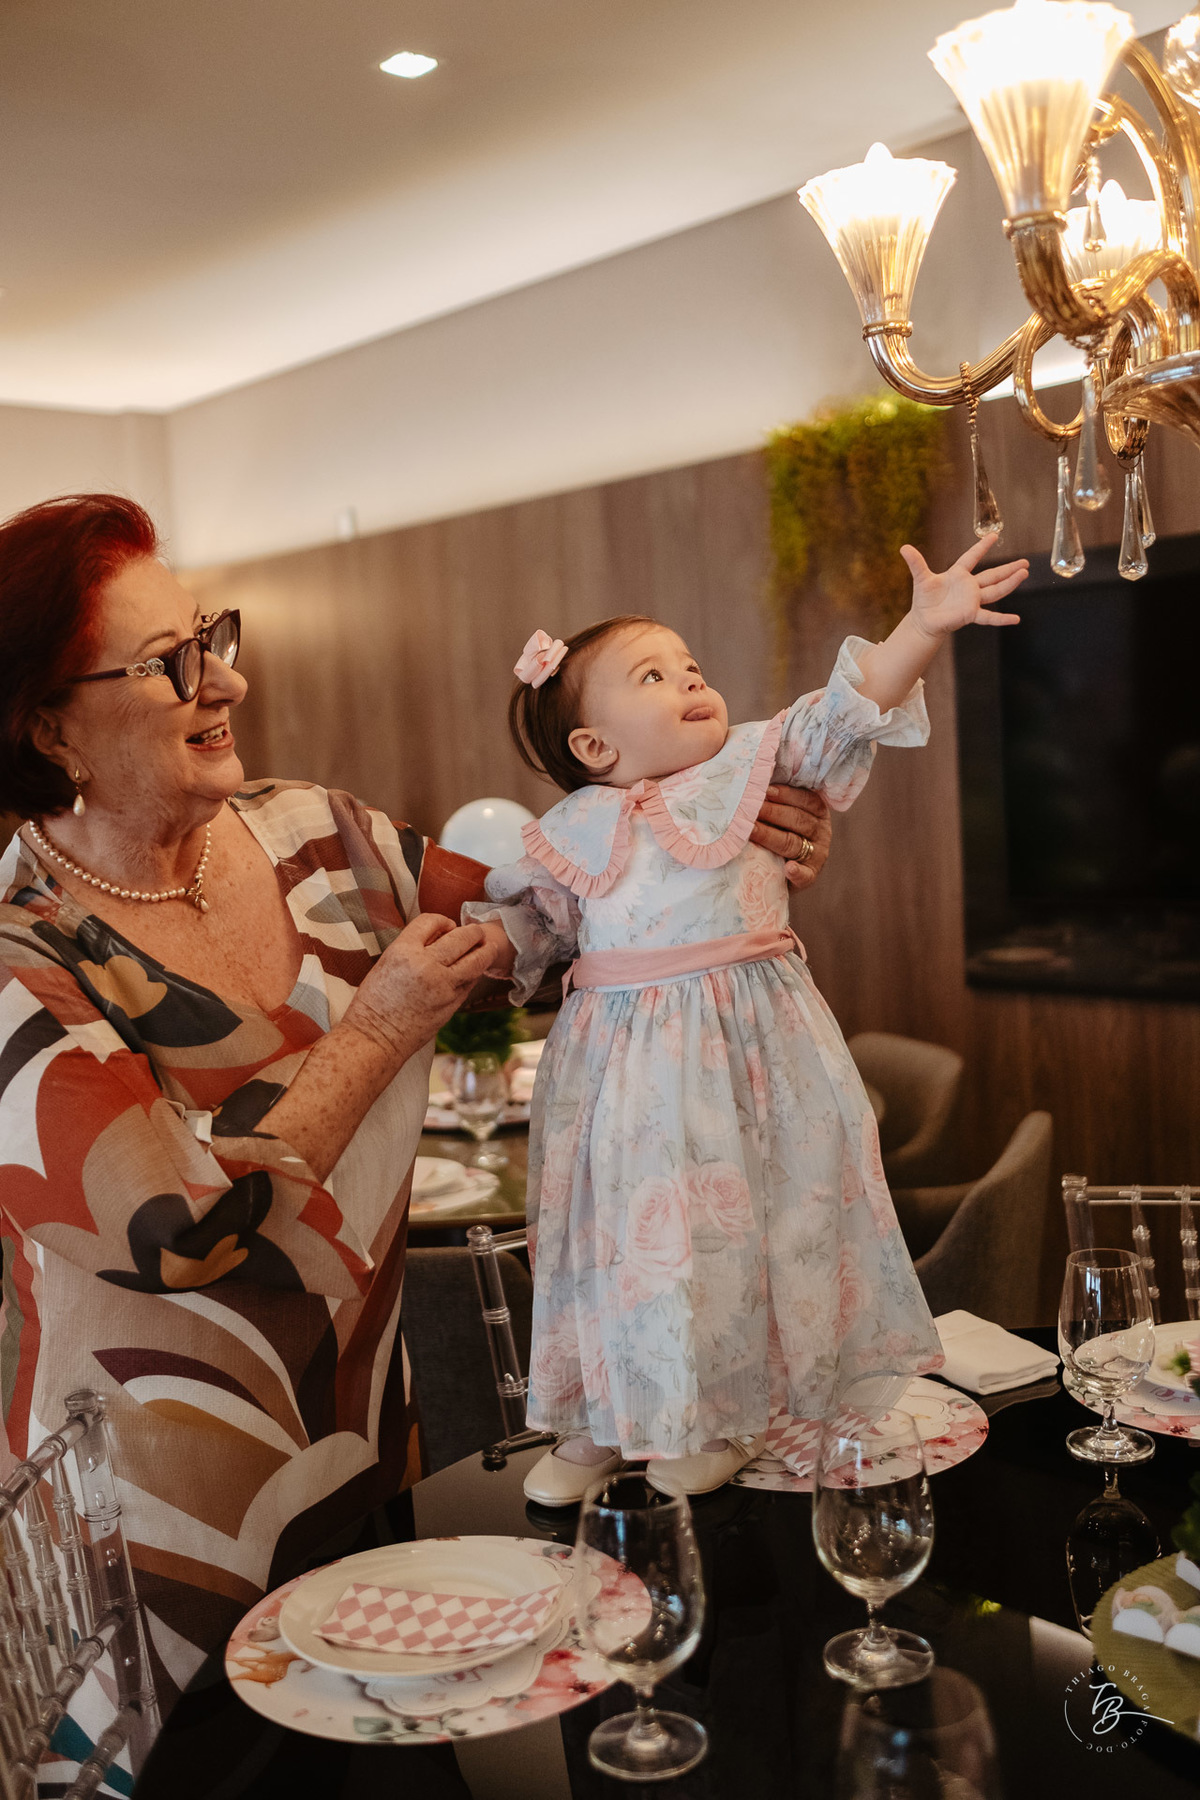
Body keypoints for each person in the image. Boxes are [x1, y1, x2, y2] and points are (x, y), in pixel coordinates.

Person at [0, 493, 831, 1719]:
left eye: (213, 636)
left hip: (370, 1450)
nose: (226, 679)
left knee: (399, 1746)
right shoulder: (23, 953)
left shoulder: (318, 835)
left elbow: (548, 913)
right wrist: (378, 1026)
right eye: (172, 661)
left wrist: (714, 837)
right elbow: (176, 1232)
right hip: (151, 1536)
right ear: (48, 726)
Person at [468, 534, 1029, 1505]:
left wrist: (920, 628)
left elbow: (844, 708)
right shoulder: (567, 832)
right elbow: (531, 933)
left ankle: (721, 1415)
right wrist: (469, 946)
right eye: (653, 675)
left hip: (750, 1058)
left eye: (690, 665)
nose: (690, 678)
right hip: (616, 1082)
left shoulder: (753, 766)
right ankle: (600, 1418)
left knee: (728, 1240)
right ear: (594, 748)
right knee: (614, 1242)